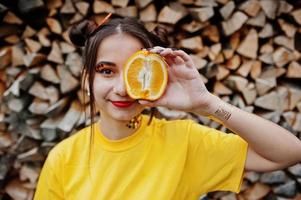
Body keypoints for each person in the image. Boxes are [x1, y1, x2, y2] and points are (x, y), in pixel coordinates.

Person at [34, 14, 301, 200]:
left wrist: (208, 104)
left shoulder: (184, 142)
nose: (123, 87)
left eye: (134, 70)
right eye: (106, 71)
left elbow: (288, 153)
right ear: (86, 78)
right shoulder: (63, 158)